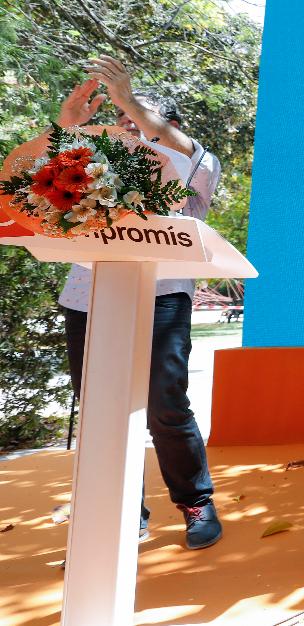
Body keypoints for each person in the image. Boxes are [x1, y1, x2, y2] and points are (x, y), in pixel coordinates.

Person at [55, 58, 224, 549]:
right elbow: (51, 176)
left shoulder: (194, 161)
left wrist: (127, 97)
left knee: (164, 405)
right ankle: (125, 509)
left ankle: (195, 502)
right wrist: (70, 121)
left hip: (163, 296)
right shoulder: (98, 159)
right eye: (121, 120)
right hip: (89, 293)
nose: (127, 128)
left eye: (138, 120)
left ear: (169, 127)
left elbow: (178, 146)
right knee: (101, 407)